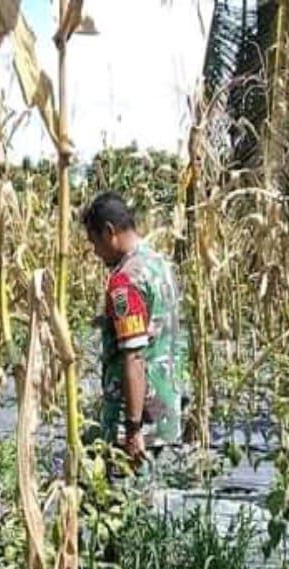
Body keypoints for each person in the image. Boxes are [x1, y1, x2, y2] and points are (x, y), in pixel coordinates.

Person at [82, 191, 186, 463]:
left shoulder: (125, 281)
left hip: (138, 422)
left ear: (109, 232)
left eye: (94, 242)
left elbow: (134, 357)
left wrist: (132, 428)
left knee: (126, 498)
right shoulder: (159, 265)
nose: (95, 252)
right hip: (166, 414)